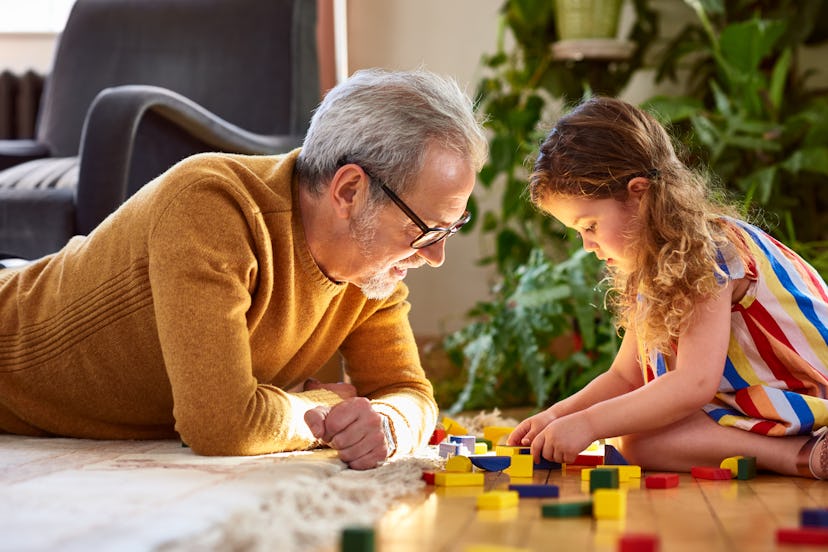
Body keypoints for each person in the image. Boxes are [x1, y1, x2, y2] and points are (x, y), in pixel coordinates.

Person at [0, 68, 488, 470]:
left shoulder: (371, 272)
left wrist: (387, 422)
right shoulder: (211, 206)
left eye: (450, 228)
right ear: (348, 191)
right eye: (426, 229)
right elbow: (221, 425)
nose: (434, 255)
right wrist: (323, 407)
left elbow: (409, 392)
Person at [508, 96, 828, 478]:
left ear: (639, 194)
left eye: (590, 226)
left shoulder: (708, 251)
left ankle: (804, 454)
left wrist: (590, 424)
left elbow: (693, 383)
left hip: (808, 393)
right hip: (760, 403)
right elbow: (625, 377)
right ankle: (797, 451)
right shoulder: (653, 264)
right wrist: (558, 414)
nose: (588, 246)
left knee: (638, 437)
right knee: (640, 442)